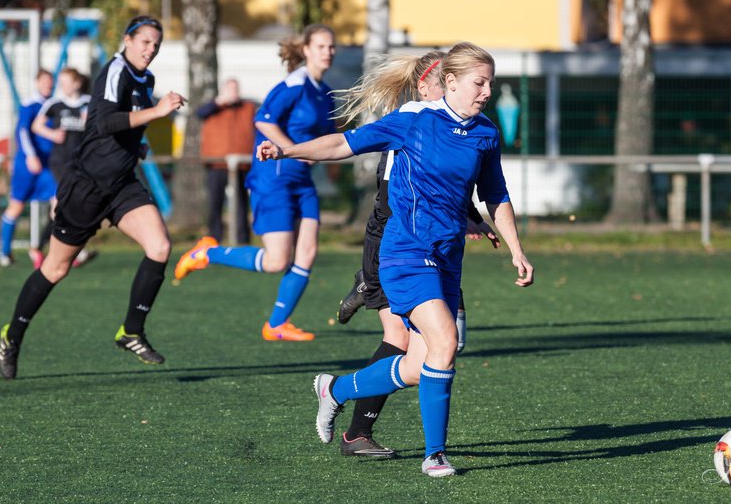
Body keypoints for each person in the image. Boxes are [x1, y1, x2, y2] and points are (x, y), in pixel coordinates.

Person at [257, 41, 535, 477]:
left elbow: (495, 194)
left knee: (421, 363)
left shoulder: (485, 133)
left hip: (447, 257)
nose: (487, 92)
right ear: (451, 81)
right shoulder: (413, 120)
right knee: (445, 342)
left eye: (490, 84)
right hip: (405, 253)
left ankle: (336, 388)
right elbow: (342, 145)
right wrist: (287, 150)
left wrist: (517, 249)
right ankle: (435, 454)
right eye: (479, 83)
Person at [0, 16, 186, 380]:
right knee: (55, 268)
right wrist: (157, 112)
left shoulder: (146, 79)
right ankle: (12, 336)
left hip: (121, 186)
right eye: (145, 41)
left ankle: (131, 331)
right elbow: (103, 123)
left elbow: (124, 128)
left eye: (156, 44)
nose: (151, 49)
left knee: (160, 246)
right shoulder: (115, 70)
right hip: (86, 187)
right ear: (127, 40)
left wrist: (138, 144)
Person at [330, 51, 498, 459]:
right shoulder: (413, 118)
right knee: (404, 338)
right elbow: (394, 196)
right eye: (447, 81)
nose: (474, 93)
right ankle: (358, 434)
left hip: (428, 245)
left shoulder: (460, 125)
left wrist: (472, 216)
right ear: (427, 86)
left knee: (433, 350)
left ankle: (337, 395)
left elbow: (452, 184)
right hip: (394, 238)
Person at [174, 24, 337, 343]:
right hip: (273, 177)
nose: (327, 52)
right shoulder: (295, 83)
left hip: (302, 180)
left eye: (331, 47)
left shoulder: (324, 93)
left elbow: (327, 134)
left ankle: (276, 324)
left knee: (308, 251)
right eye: (321, 46)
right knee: (277, 261)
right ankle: (208, 253)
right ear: (306, 49)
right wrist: (289, 149)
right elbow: (262, 119)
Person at [30, 67, 97, 268]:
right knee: (61, 204)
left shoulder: (88, 103)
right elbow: (36, 126)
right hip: (60, 163)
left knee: (70, 207)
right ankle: (48, 248)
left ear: (77, 83)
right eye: (61, 82)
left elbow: (101, 128)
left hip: (82, 163)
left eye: (66, 82)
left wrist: (91, 123)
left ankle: (52, 249)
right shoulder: (55, 104)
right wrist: (52, 134)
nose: (62, 86)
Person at [0, 69, 55, 269]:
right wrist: (31, 155)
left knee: (60, 204)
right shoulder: (29, 105)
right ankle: (4, 251)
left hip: (48, 166)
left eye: (51, 81)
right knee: (16, 206)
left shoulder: (54, 105)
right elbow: (22, 132)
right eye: (45, 81)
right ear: (37, 83)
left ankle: (50, 249)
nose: (48, 85)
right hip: (28, 167)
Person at [193, 78, 256, 244]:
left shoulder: (247, 108)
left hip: (242, 163)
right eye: (230, 89)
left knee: (242, 204)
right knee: (215, 203)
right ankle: (214, 239)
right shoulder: (213, 108)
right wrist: (218, 102)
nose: (233, 93)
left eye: (236, 89)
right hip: (217, 163)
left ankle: (243, 240)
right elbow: (199, 113)